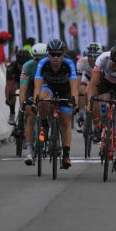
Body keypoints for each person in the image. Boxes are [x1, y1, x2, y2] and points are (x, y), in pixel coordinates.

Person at [86, 43, 116, 172]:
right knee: (91, 97)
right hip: (105, 82)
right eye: (115, 63)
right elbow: (93, 83)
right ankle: (97, 125)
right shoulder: (103, 58)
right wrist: (90, 102)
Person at [34, 39, 79, 169]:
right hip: (49, 88)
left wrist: (74, 99)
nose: (55, 57)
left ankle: (66, 155)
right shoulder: (43, 63)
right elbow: (38, 84)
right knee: (43, 99)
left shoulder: (69, 63)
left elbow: (74, 86)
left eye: (58, 54)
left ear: (63, 54)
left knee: (65, 121)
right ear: (48, 54)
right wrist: (37, 99)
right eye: (52, 54)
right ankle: (44, 124)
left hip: (65, 90)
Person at [19, 43, 48, 165]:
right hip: (32, 89)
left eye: (43, 59)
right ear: (33, 57)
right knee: (30, 115)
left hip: (47, 88)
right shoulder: (28, 66)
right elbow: (23, 89)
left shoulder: (51, 65)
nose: (40, 61)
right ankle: (29, 150)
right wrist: (22, 104)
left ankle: (52, 137)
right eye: (37, 59)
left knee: (49, 108)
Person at [76, 42, 103, 136]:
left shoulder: (103, 62)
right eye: (90, 56)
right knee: (81, 89)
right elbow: (78, 80)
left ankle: (99, 124)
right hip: (87, 78)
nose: (93, 58)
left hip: (99, 80)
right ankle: (81, 114)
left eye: (96, 56)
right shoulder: (82, 61)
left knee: (98, 99)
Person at [5, 49, 32, 124]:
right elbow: (8, 86)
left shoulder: (33, 64)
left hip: (28, 81)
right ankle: (12, 113)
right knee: (12, 89)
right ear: (17, 61)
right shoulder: (11, 67)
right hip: (17, 81)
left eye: (25, 63)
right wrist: (8, 98)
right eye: (20, 63)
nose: (23, 66)